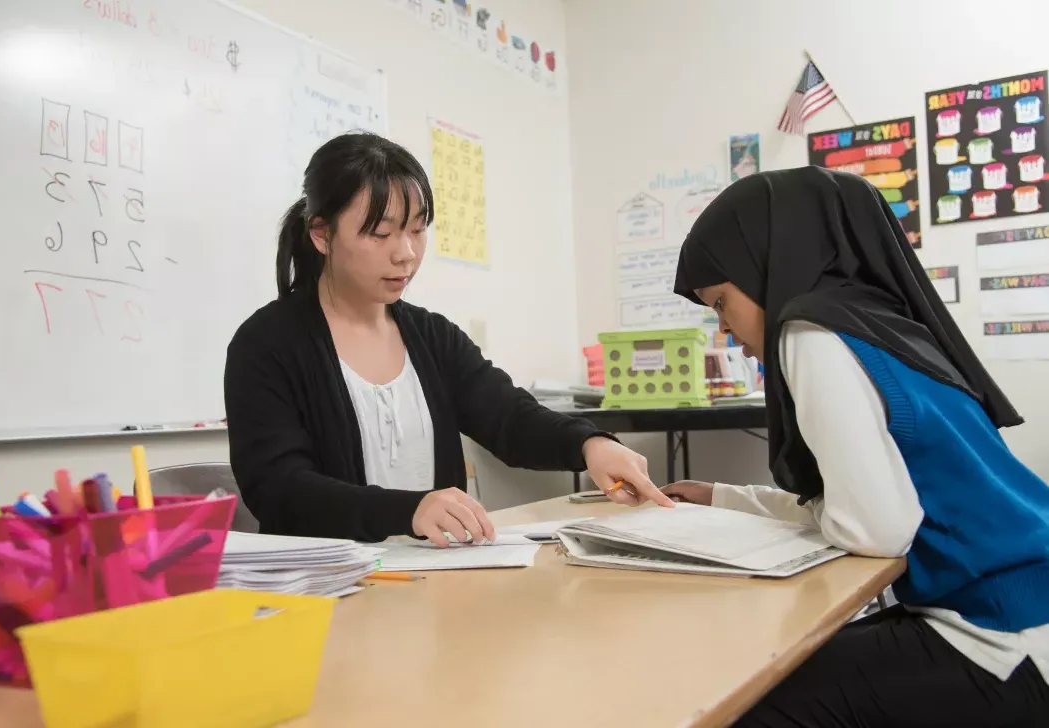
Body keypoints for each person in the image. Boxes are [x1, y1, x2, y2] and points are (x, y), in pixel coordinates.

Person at [668, 166, 1049, 726]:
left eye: (721, 303)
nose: (724, 331)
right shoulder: (879, 324)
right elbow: (864, 504)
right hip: (1015, 609)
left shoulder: (808, 332)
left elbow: (875, 528)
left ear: (764, 265)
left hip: (1002, 637)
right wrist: (723, 497)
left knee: (734, 701)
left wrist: (784, 511)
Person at [224, 132, 671, 546]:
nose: (407, 253)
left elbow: (509, 418)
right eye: (380, 233)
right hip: (329, 595)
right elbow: (279, 489)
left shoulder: (431, 337)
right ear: (322, 234)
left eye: (417, 229)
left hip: (436, 578)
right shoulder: (266, 345)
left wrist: (590, 444)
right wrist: (408, 510)